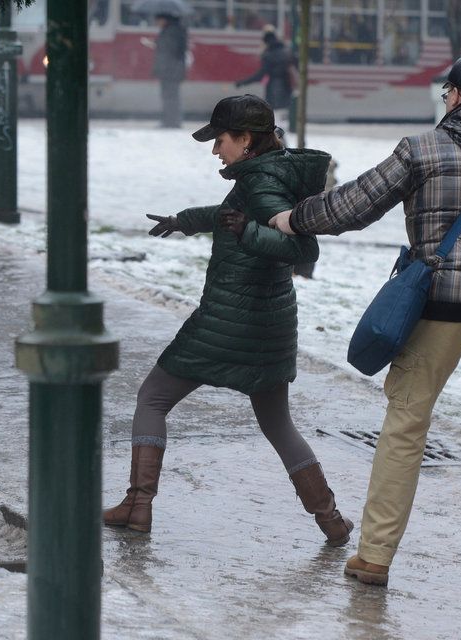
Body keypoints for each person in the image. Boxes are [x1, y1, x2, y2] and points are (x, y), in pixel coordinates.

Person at [269, 54, 461, 607]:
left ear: (455, 96)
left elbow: (354, 205)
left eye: (446, 93)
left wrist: (296, 218)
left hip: (435, 310)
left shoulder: (422, 149)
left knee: (405, 427)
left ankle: (375, 558)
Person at [103, 95, 353, 548]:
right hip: (269, 326)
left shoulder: (263, 184)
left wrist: (248, 233)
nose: (215, 150)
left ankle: (138, 506)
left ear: (245, 139)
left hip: (228, 319)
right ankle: (331, 521)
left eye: (220, 140)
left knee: (152, 398)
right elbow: (230, 215)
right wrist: (185, 220)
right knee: (278, 425)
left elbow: (302, 250)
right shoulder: (268, 173)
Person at [235, 28, 296, 133]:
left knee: (275, 121)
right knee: (280, 120)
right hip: (287, 89)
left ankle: (280, 145)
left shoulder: (269, 55)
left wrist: (242, 82)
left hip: (275, 91)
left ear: (266, 42)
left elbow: (260, 75)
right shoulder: (286, 51)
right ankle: (282, 144)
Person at [152, 14, 187, 128]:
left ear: (164, 19)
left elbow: (170, 50)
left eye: (158, 20)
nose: (157, 23)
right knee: (171, 96)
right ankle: (171, 120)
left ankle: (171, 121)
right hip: (173, 69)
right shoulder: (177, 29)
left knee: (169, 97)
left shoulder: (171, 31)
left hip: (170, 70)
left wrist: (156, 44)